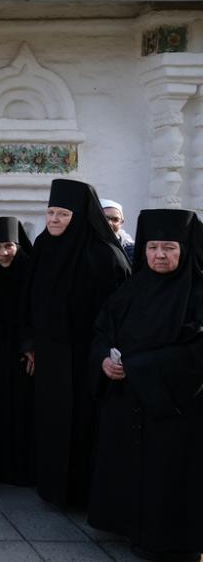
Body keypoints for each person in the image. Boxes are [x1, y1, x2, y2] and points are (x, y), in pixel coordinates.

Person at [88, 209, 203, 562]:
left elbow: (196, 352)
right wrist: (104, 359)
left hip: (176, 405)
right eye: (152, 248)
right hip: (128, 397)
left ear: (185, 250)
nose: (159, 255)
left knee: (169, 474)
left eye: (169, 248)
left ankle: (169, 542)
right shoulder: (132, 288)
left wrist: (137, 367)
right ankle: (127, 525)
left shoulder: (197, 293)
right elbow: (103, 329)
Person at [23, 178, 129, 508]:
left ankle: (82, 493)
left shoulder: (105, 256)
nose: (54, 219)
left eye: (63, 214)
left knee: (84, 423)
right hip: (51, 354)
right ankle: (52, 488)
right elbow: (28, 298)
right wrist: (30, 343)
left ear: (80, 217)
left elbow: (118, 314)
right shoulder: (43, 246)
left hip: (87, 357)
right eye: (50, 212)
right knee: (52, 421)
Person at [0, 216, 35, 486]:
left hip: (25, 352)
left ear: (18, 245)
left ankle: (24, 468)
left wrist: (30, 345)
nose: (3, 253)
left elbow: (37, 311)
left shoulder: (30, 270)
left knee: (24, 408)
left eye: (8, 246)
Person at [101, 198, 136, 265]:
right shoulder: (86, 247)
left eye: (115, 219)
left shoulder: (131, 250)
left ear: (121, 223)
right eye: (105, 218)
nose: (109, 223)